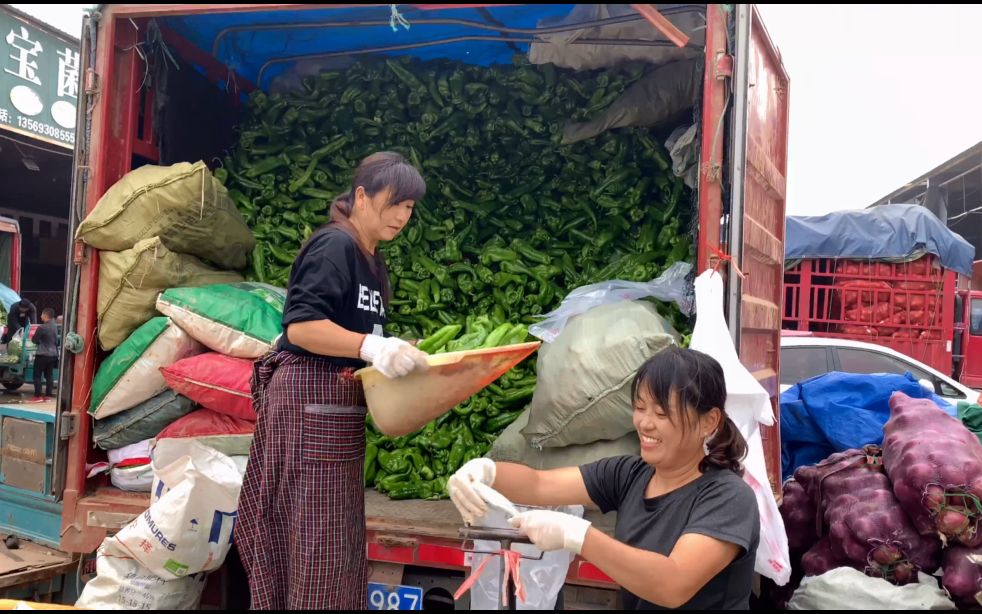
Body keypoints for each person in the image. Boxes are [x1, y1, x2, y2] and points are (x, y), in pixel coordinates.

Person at [236, 152, 430, 610]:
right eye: (395, 203)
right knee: (310, 545)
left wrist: (395, 347)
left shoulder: (371, 260)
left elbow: (355, 332)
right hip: (307, 408)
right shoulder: (335, 246)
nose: (403, 215)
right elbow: (301, 327)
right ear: (361, 196)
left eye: (410, 208)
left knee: (336, 547)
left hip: (334, 418)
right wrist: (371, 347)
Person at [449, 347, 760, 610]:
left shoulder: (728, 498)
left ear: (709, 421)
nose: (645, 423)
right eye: (639, 408)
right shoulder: (629, 475)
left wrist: (579, 536)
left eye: (662, 413)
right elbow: (538, 484)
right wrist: (484, 472)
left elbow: (672, 584)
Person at [31, 308, 58, 402]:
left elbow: (34, 340)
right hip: (53, 354)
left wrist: (40, 342)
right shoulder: (55, 325)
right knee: (49, 375)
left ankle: (37, 396)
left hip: (42, 354)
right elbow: (56, 341)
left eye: (42, 314)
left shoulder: (42, 327)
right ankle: (48, 396)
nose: (40, 316)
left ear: (46, 316)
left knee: (37, 375)